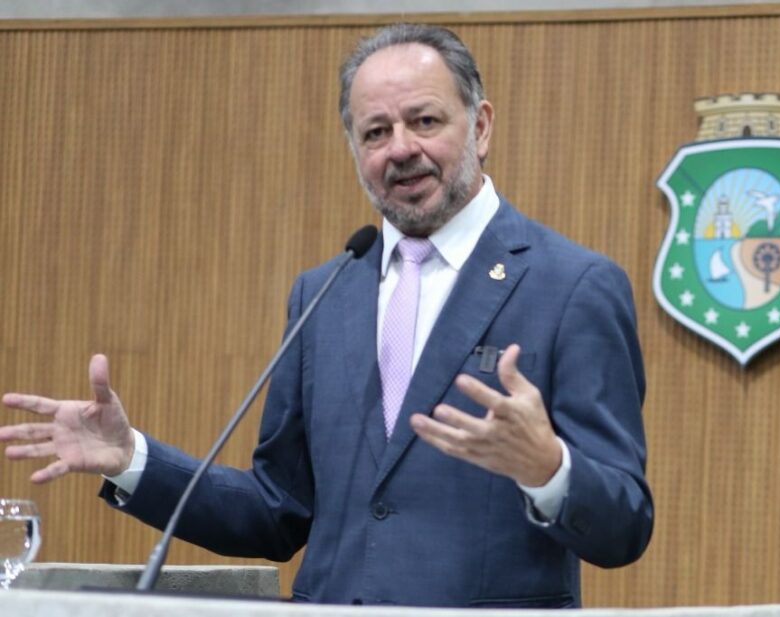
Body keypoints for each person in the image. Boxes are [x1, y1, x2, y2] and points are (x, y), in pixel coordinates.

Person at [0, 23, 652, 607]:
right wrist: (131, 458)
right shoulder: (327, 289)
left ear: (480, 126)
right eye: (375, 132)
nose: (400, 149)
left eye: (425, 122)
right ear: (354, 149)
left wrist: (549, 469)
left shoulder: (572, 284)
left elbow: (626, 523)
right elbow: (277, 511)